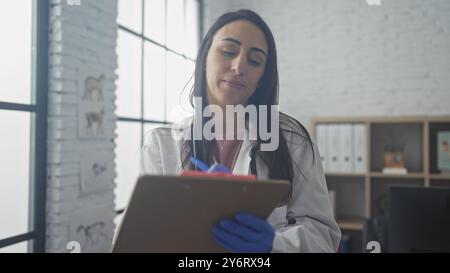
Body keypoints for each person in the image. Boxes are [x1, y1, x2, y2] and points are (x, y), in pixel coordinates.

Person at [140, 9, 341, 253]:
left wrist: (274, 246)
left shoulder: (292, 140)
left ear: (262, 77)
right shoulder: (161, 145)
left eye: (255, 61)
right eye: (228, 52)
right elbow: (145, 236)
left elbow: (323, 237)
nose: (238, 66)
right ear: (204, 58)